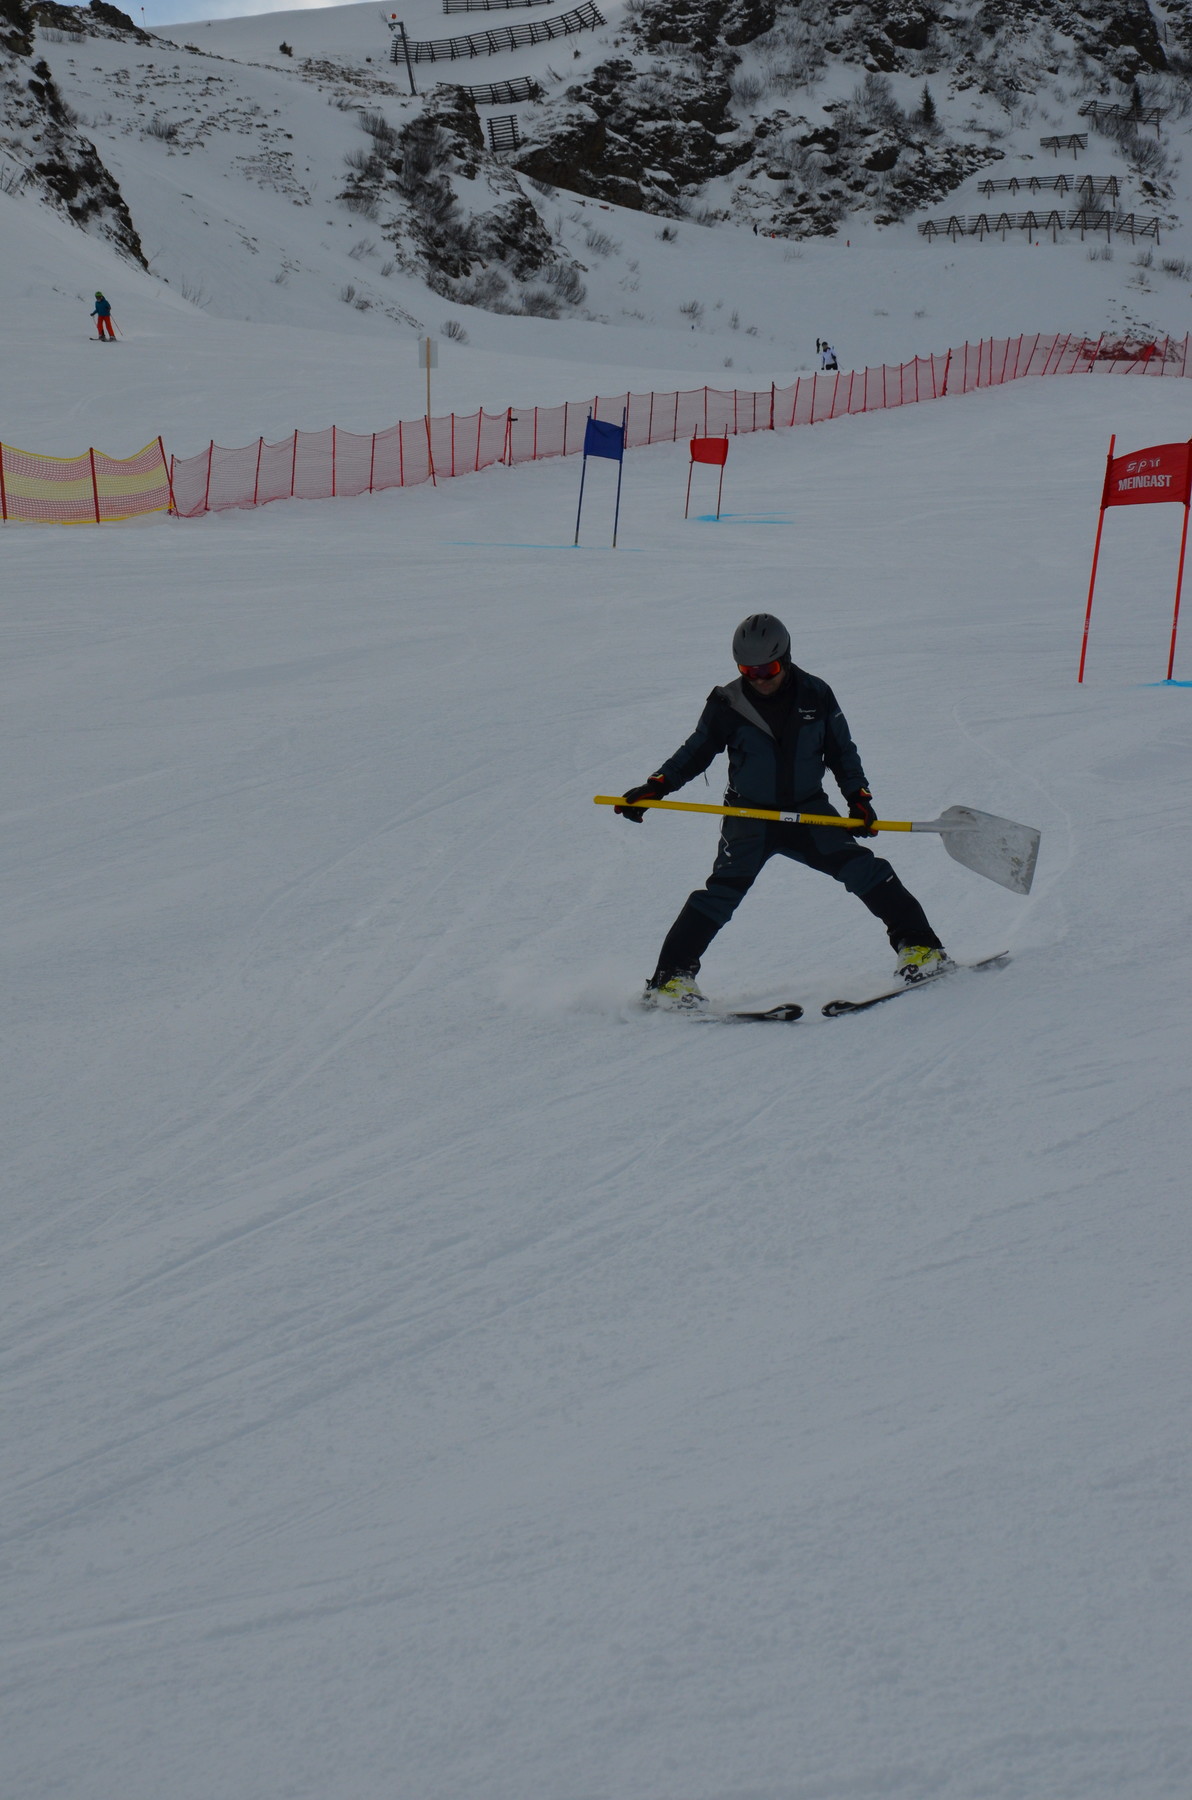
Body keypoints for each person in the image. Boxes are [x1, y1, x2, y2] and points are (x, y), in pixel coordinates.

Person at [614, 613, 949, 1008]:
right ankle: (669, 981)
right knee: (721, 892)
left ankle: (921, 949)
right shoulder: (727, 703)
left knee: (866, 870)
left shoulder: (816, 694)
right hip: (750, 818)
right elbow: (696, 752)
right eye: (748, 670)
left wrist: (858, 798)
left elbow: (841, 751)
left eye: (768, 669)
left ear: (786, 659)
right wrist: (657, 786)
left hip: (809, 812)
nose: (759, 679)